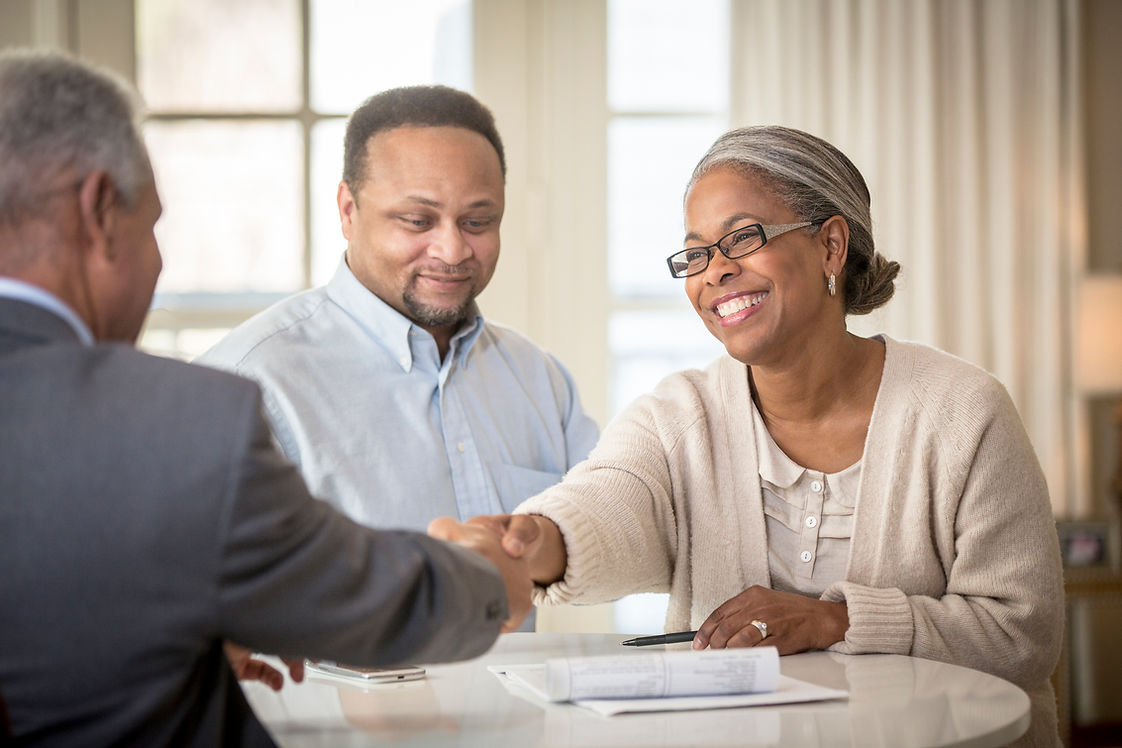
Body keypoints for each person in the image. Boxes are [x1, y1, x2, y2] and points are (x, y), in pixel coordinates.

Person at [431, 125, 1065, 746]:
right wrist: (526, 542)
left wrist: (835, 620)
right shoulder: (680, 414)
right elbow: (608, 499)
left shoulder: (963, 412)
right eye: (697, 253)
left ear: (831, 247)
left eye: (742, 238)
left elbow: (1021, 635)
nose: (715, 272)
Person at [0, 49, 530, 747]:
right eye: (152, 225)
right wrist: (489, 579)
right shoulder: (184, 417)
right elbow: (367, 595)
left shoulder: (530, 372)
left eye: (475, 220)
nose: (157, 261)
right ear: (101, 212)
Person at [198, 85, 599, 532]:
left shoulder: (538, 379)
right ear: (349, 211)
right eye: (417, 221)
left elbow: (612, 531)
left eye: (477, 222)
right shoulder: (246, 387)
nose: (451, 251)